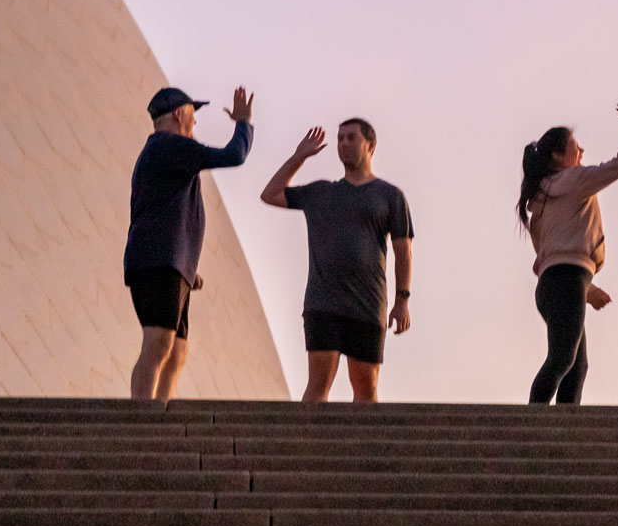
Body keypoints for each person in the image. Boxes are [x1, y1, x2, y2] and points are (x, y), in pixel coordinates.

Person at [261, 117, 415, 402]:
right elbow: (270, 194)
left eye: (351, 138)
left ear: (370, 145)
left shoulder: (390, 196)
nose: (343, 144)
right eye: (340, 138)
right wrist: (299, 156)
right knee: (318, 384)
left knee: (366, 389)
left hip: (367, 304)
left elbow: (403, 252)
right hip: (323, 302)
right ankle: (304, 446)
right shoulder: (321, 192)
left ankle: (363, 447)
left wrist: (401, 300)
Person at [124, 84, 254, 401]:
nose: (195, 125)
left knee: (176, 351)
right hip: (160, 264)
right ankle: (142, 422)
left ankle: (162, 416)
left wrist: (187, 270)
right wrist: (244, 124)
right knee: (158, 343)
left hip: (172, 265)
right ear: (179, 114)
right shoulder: (168, 146)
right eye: (193, 117)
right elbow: (233, 155)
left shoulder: (165, 153)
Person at [519, 98, 618, 404]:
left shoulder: (540, 200)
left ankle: (561, 433)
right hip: (567, 281)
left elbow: (551, 256)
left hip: (553, 285)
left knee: (575, 365)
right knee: (564, 359)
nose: (581, 153)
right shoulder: (575, 180)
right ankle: (531, 423)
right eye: (575, 148)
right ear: (557, 155)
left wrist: (587, 289)